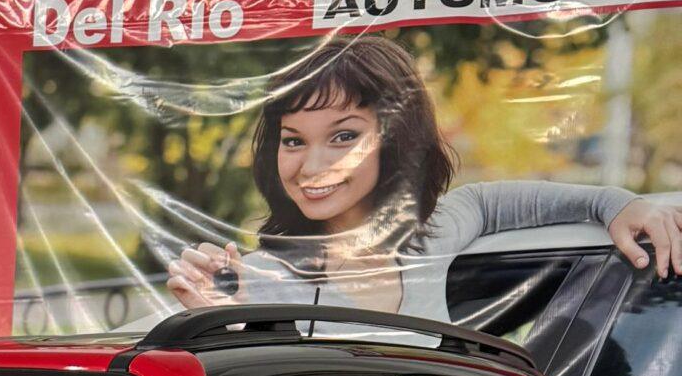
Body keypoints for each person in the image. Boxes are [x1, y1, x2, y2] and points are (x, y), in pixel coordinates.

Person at [167, 33, 682, 321]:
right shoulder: (261, 279)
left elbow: (493, 203)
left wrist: (619, 205)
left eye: (344, 136)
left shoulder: (432, 236)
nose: (311, 166)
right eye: (294, 140)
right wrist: (214, 318)